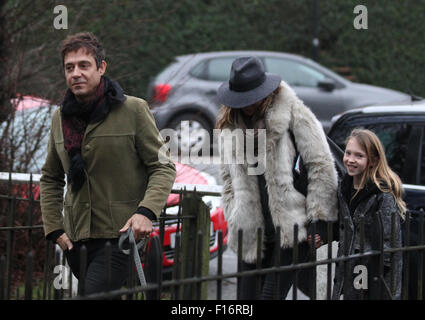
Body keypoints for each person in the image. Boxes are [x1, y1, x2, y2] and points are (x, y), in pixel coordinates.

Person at [40, 32, 176, 296]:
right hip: (76, 238)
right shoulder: (60, 117)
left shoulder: (133, 110)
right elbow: (51, 177)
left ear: (101, 68)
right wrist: (55, 229)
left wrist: (146, 212)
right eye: (69, 68)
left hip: (119, 236)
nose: (76, 73)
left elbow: (162, 166)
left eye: (84, 65)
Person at [216, 56, 338, 299]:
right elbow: (227, 178)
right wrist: (235, 211)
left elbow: (321, 165)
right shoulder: (229, 125)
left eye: (252, 98)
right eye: (242, 100)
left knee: (270, 296)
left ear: (267, 92)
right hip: (251, 230)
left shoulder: (294, 113)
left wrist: (320, 220)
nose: (248, 105)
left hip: (291, 228)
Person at [332, 128, 404, 300]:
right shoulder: (344, 188)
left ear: (372, 160)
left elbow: (389, 243)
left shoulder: (382, 194)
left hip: (370, 268)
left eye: (359, 155)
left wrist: (374, 278)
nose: (350, 160)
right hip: (347, 265)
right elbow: (341, 226)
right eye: (348, 153)